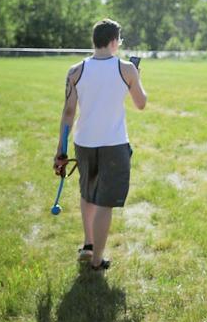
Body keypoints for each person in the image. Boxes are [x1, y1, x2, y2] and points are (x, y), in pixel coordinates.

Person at [53, 19, 147, 272]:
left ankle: (88, 244)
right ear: (114, 41)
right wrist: (136, 79)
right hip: (114, 144)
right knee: (105, 202)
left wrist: (60, 150)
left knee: (88, 193)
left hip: (84, 142)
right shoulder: (127, 68)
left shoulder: (75, 70)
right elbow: (141, 103)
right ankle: (96, 260)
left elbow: (68, 112)